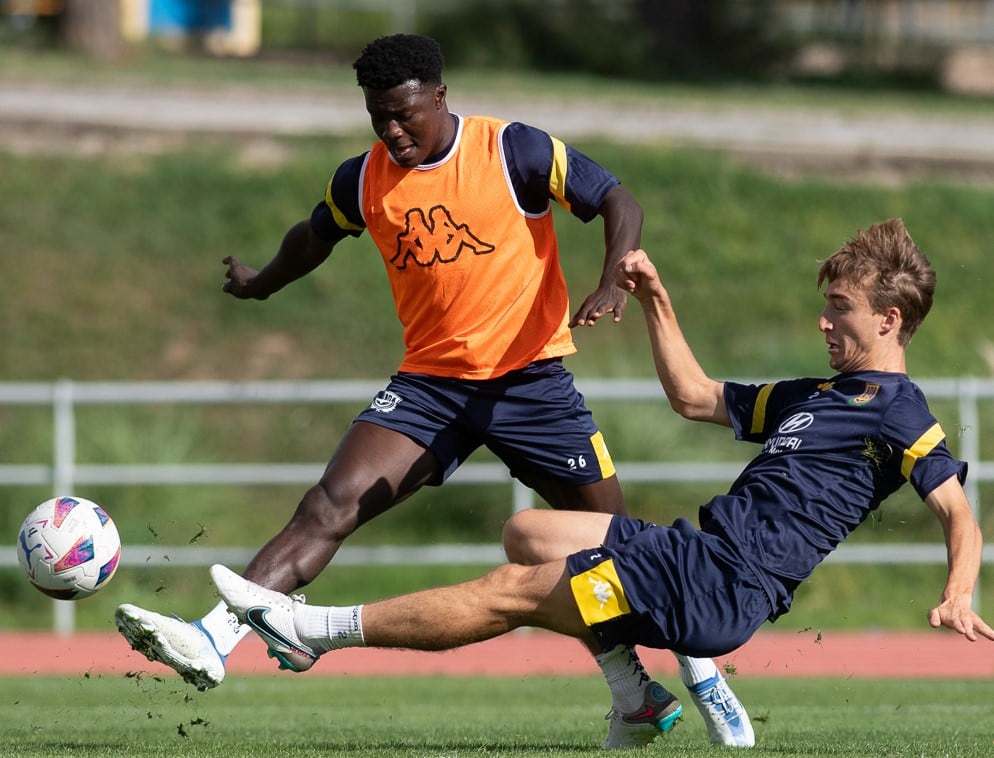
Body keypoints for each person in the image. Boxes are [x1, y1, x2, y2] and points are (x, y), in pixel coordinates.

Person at [113, 33, 751, 749]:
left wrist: (612, 278)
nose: (392, 131)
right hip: (430, 389)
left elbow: (616, 199)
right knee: (328, 506)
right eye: (377, 116)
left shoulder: (515, 152)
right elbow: (313, 236)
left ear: (440, 96)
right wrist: (262, 282)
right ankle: (213, 640)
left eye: (404, 114)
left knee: (620, 549)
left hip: (533, 386)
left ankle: (696, 673)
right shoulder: (363, 179)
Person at [206, 219, 994, 749]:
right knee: (532, 534)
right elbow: (694, 397)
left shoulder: (900, 412)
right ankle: (639, 697)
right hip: (696, 555)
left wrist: (960, 590)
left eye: (841, 309)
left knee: (511, 591)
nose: (825, 322)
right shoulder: (814, 397)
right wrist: (657, 300)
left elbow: (958, 512)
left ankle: (311, 630)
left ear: (890, 320)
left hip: (718, 585)